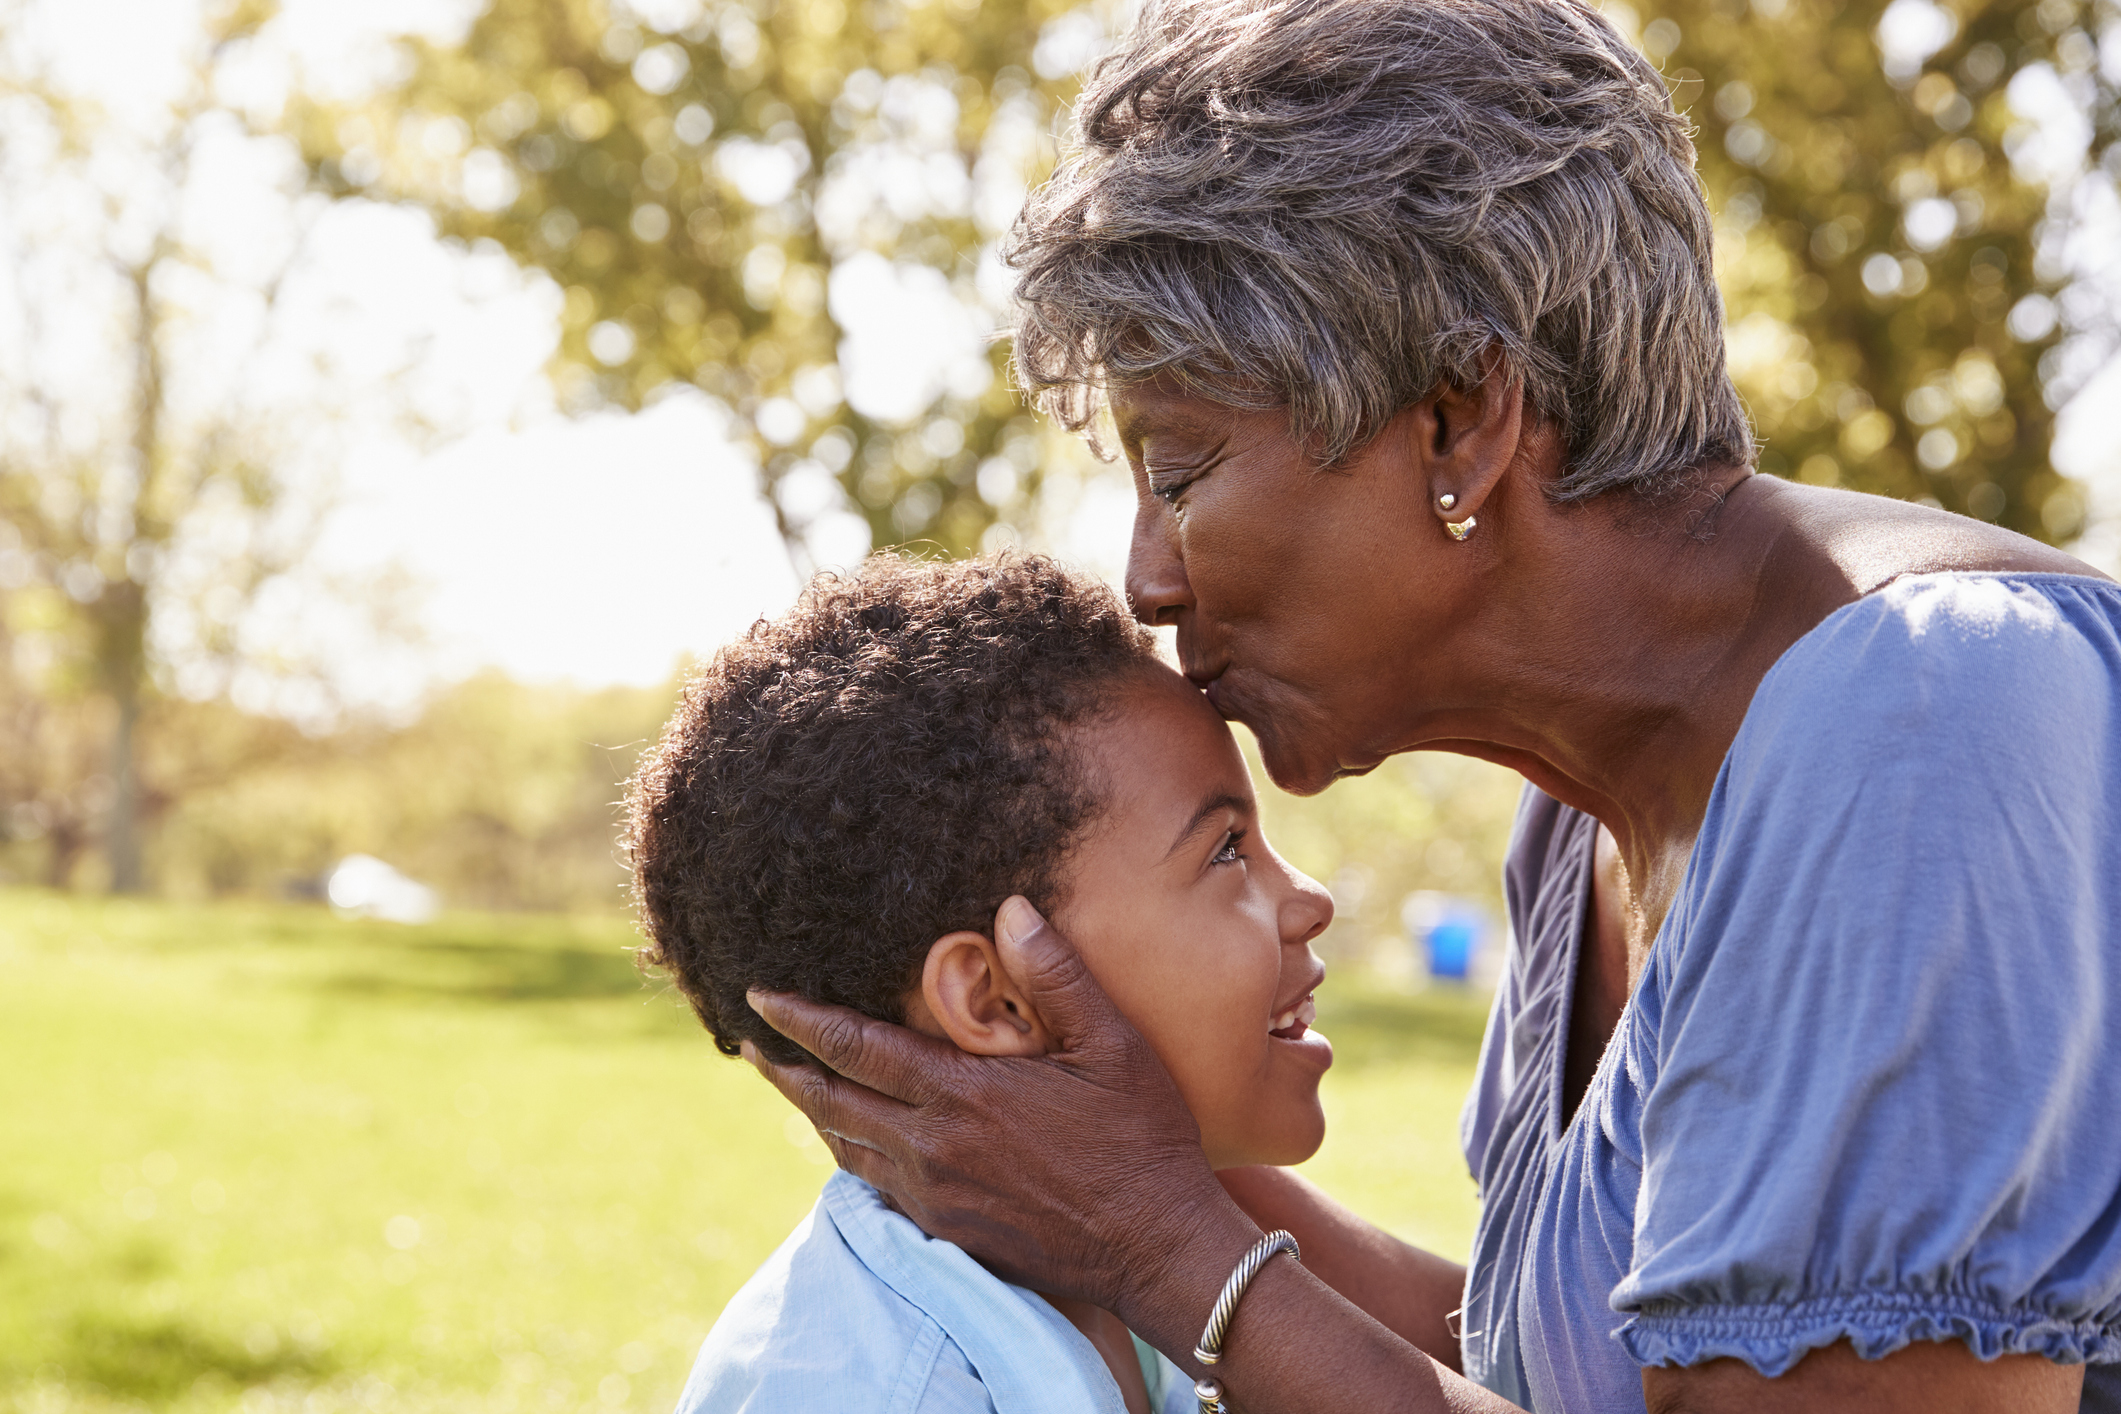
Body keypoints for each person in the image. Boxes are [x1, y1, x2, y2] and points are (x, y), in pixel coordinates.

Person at [741, 0, 2121, 1410]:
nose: (1146, 580)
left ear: (1460, 419)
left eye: (1179, 473)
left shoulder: (1925, 718)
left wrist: (1164, 1241)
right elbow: (1567, 1370)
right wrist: (1092, 1145)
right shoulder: (1580, 819)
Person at [627, 554, 1339, 1413]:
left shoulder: (1128, 1306)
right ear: (995, 1000)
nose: (1308, 899)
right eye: (1225, 850)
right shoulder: (869, 1390)